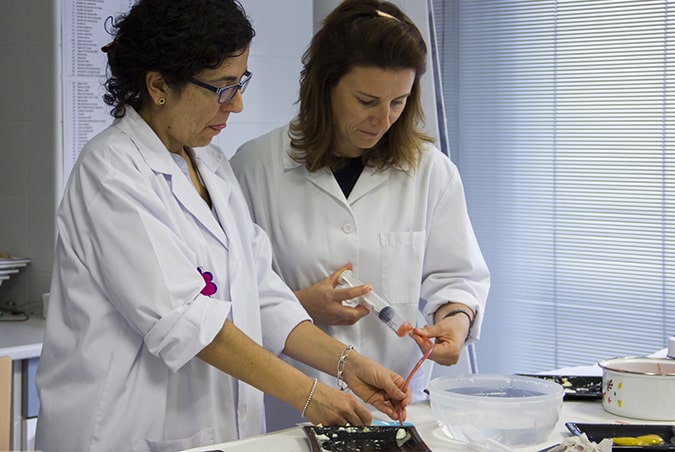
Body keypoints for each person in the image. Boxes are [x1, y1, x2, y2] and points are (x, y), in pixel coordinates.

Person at [34, 0, 411, 450]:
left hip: (207, 431)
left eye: (240, 82)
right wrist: (309, 395)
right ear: (158, 85)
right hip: (119, 431)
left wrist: (347, 364)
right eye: (222, 87)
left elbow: (262, 295)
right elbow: (186, 322)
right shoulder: (112, 172)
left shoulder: (210, 164)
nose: (237, 104)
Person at [230, 0, 490, 423]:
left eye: (398, 102)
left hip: (398, 410)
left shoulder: (430, 172)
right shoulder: (253, 168)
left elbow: (457, 276)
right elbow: (232, 305)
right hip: (292, 414)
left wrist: (455, 319)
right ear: (326, 85)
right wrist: (301, 306)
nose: (383, 119)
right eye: (367, 100)